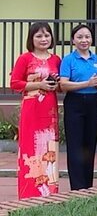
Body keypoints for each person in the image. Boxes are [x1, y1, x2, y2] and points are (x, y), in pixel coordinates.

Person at [11, 23, 61, 198]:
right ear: (31, 39)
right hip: (31, 110)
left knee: (49, 149)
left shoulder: (56, 59)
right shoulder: (25, 58)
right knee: (31, 150)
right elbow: (15, 83)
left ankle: (50, 194)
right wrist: (39, 84)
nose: (43, 39)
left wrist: (56, 84)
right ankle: (29, 194)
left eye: (47, 35)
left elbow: (60, 85)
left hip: (49, 111)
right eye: (39, 36)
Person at [59, 25, 97, 190]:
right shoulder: (68, 59)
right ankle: (77, 188)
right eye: (80, 37)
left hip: (93, 102)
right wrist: (88, 83)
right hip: (74, 103)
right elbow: (63, 84)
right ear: (73, 40)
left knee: (89, 145)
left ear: (92, 39)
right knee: (75, 145)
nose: (84, 40)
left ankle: (88, 186)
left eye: (87, 37)